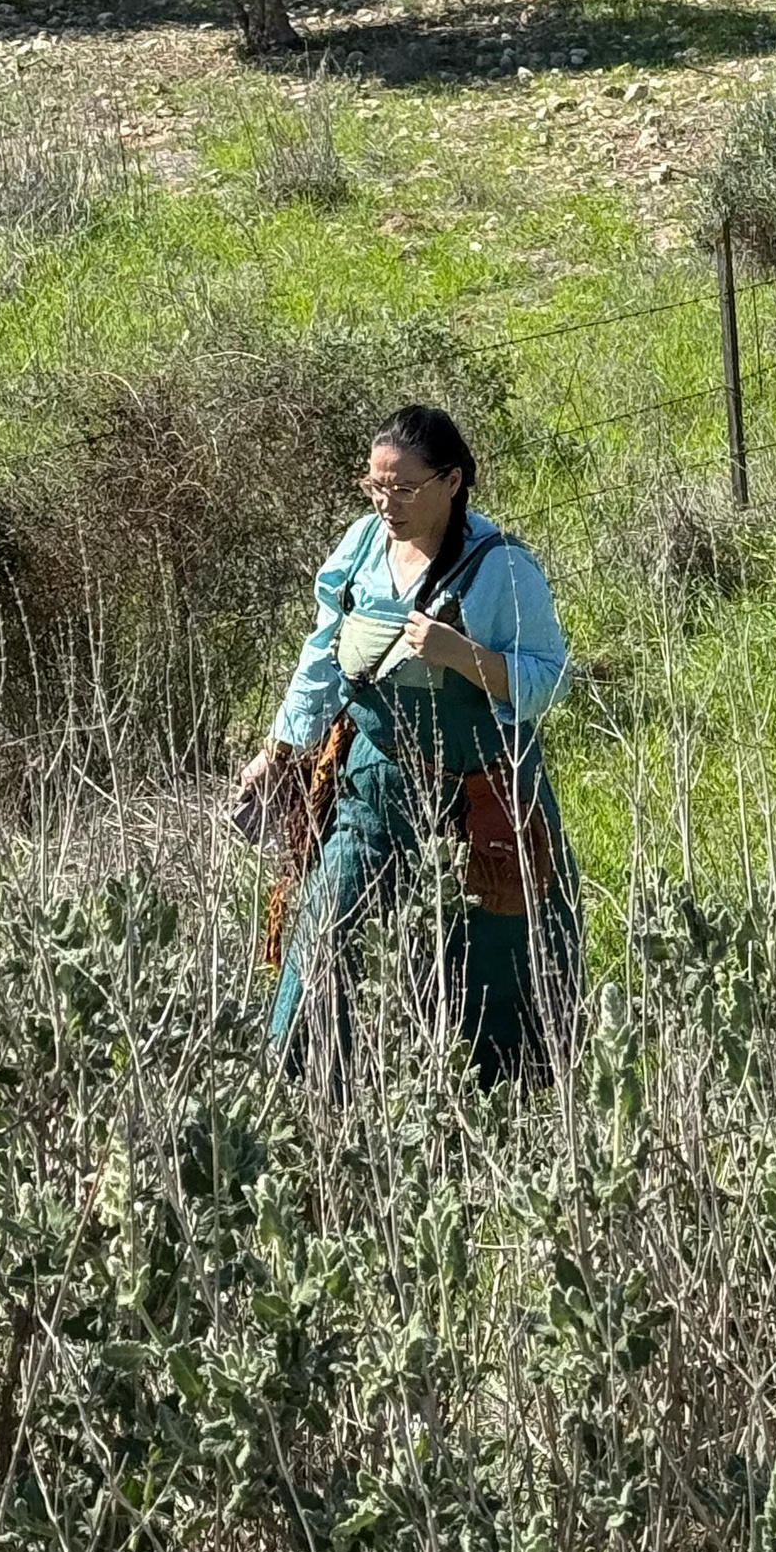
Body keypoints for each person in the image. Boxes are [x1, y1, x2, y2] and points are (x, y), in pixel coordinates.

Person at [236, 404, 578, 1086]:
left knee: (495, 967)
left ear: (452, 482)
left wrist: (463, 655)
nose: (385, 501)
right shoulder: (360, 549)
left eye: (403, 487)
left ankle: (503, 1111)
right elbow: (322, 658)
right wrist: (280, 749)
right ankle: (298, 1098)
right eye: (374, 485)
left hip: (482, 802)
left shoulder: (501, 569)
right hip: (375, 786)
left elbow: (549, 680)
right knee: (324, 938)